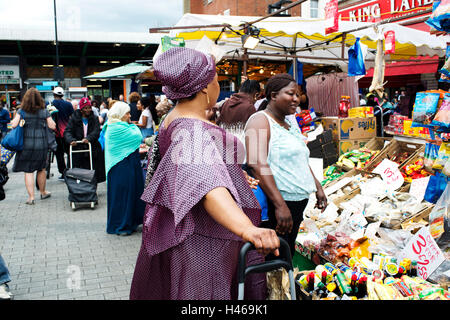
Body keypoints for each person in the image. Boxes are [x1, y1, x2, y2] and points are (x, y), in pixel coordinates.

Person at [129, 47, 280, 300]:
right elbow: (208, 188)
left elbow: (187, 170)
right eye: (216, 79)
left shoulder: (174, 118)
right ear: (204, 87)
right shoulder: (191, 130)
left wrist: (230, 175)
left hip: (190, 234)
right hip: (203, 240)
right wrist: (247, 229)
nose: (218, 84)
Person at [244, 73, 327, 257]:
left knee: (286, 255)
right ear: (273, 95)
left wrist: (317, 187)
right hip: (277, 205)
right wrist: (280, 205)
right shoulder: (259, 120)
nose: (296, 99)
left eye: (298, 94)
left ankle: (285, 285)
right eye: (291, 94)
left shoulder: (290, 122)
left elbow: (301, 159)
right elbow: (257, 164)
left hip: (297, 203)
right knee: (275, 258)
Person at [102, 101, 145, 236]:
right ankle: (122, 224)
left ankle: (128, 222)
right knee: (124, 195)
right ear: (120, 114)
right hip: (121, 166)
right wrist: (134, 127)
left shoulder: (113, 126)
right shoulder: (116, 128)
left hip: (125, 165)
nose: (129, 115)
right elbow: (137, 136)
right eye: (126, 113)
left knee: (126, 194)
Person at [11, 88, 56, 205]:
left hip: (26, 144)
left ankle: (31, 197)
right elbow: (52, 126)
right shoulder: (44, 111)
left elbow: (14, 125)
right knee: (41, 169)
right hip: (41, 144)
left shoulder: (22, 111)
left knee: (28, 170)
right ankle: (43, 192)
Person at [63, 97, 106, 183]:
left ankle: (93, 186)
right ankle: (78, 187)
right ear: (81, 109)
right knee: (78, 168)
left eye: (89, 108)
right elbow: (68, 131)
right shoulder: (74, 118)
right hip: (78, 147)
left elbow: (96, 131)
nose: (88, 110)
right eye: (85, 108)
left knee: (93, 168)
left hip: (92, 146)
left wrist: (88, 138)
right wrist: (71, 140)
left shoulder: (94, 118)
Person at [50, 87, 74, 181]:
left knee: (59, 154)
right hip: (67, 133)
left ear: (54, 95)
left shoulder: (51, 104)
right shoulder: (68, 104)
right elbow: (72, 117)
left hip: (56, 133)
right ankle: (70, 171)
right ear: (62, 95)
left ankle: (63, 172)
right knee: (69, 153)